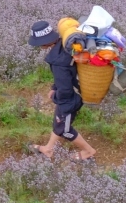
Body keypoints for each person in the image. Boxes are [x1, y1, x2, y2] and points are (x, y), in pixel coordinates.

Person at [28, 20, 96, 161]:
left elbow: (65, 89)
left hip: (70, 99)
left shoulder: (58, 60)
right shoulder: (64, 47)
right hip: (72, 93)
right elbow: (66, 75)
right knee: (58, 123)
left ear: (42, 42)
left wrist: (56, 98)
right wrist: (55, 87)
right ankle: (49, 149)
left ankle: (88, 151)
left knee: (64, 129)